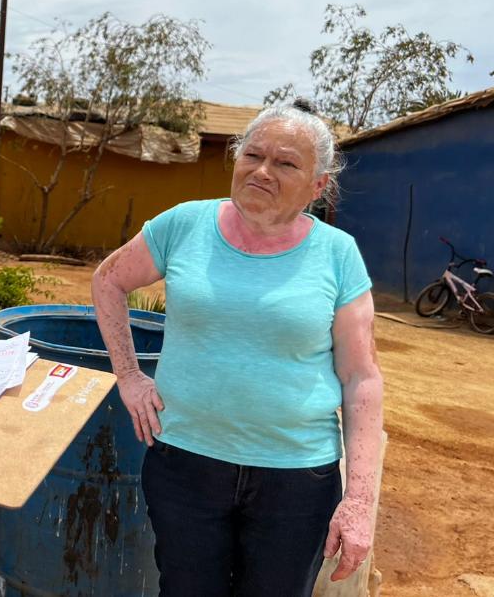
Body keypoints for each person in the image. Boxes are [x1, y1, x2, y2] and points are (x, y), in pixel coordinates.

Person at [91, 100, 383, 597]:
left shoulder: (338, 254)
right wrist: (130, 375)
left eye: (286, 163)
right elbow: (108, 281)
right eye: (253, 155)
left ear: (318, 186)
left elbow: (362, 379)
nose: (263, 171)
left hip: (297, 479)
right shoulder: (183, 225)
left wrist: (358, 501)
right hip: (186, 464)